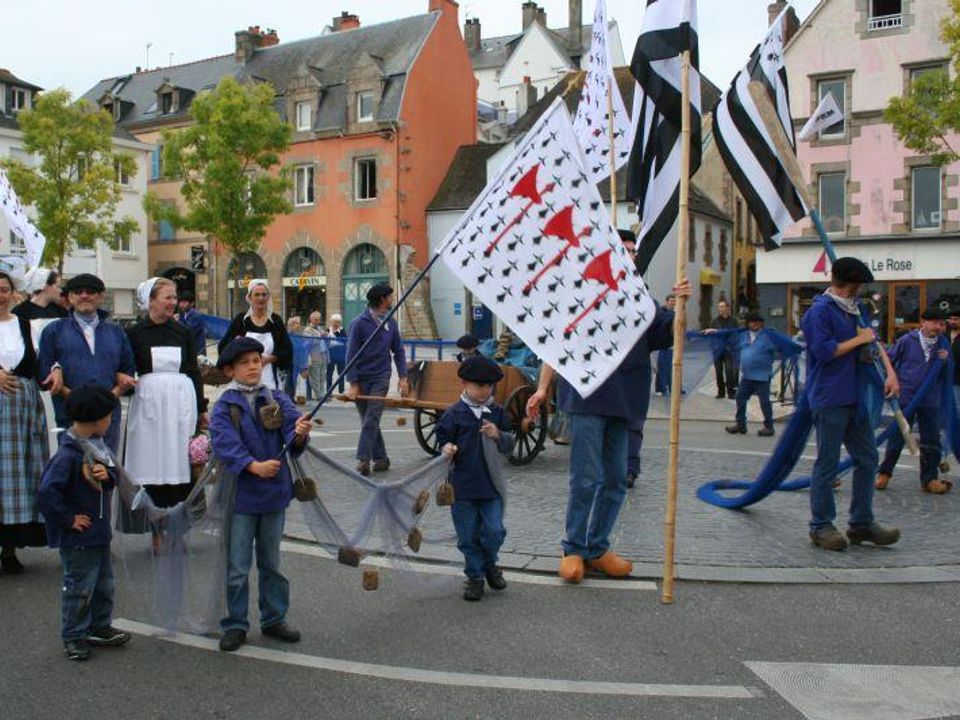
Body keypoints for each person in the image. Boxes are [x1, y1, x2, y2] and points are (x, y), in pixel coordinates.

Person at [527, 255, 689, 582]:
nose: (629, 255)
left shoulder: (643, 301)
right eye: (624, 249)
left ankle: (596, 549)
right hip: (587, 398)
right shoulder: (580, 294)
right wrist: (543, 388)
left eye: (633, 251)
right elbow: (557, 345)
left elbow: (672, 331)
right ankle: (573, 548)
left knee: (615, 479)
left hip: (625, 400)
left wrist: (683, 304)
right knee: (585, 478)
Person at [208, 337, 313, 653]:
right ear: (230, 370)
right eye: (244, 363)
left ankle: (274, 618)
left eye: (256, 360)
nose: (253, 367)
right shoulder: (224, 407)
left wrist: (299, 435)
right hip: (241, 498)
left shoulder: (277, 398)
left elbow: (293, 433)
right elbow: (225, 445)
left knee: (272, 563)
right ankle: (235, 623)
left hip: (274, 495)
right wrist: (252, 466)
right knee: (238, 566)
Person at [801, 257, 901, 552]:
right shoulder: (819, 312)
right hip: (830, 396)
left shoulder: (857, 309)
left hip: (856, 396)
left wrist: (890, 373)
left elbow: (874, 342)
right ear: (847, 285)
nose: (860, 291)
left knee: (868, 459)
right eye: (858, 286)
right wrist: (858, 341)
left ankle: (861, 523)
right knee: (827, 465)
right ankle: (820, 526)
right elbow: (825, 352)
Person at [36, 385, 133, 661]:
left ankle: (99, 626)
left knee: (104, 584)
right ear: (97, 420)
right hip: (79, 537)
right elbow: (47, 492)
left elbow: (113, 477)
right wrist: (68, 519)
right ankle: (74, 634)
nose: (111, 421)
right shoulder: (69, 455)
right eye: (109, 417)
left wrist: (109, 476)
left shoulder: (98, 447)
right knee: (79, 586)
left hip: (99, 533)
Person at [124, 278, 206, 524]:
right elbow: (127, 368)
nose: (173, 302)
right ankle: (155, 524)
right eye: (168, 297)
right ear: (150, 300)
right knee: (151, 459)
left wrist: (201, 407)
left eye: (175, 297)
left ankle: (177, 522)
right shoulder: (134, 333)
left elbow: (193, 371)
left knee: (179, 458)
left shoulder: (183, 332)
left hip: (180, 404)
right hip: (149, 405)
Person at [436, 355, 516, 601]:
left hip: (490, 486)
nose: (484, 391)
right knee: (467, 535)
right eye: (479, 386)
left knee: (494, 531)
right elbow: (442, 439)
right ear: (464, 384)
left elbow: (509, 444)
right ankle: (475, 577)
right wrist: (447, 447)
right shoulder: (454, 413)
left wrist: (497, 435)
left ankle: (490, 563)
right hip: (462, 487)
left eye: (489, 386)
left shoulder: (497, 412)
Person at [38, 273, 137, 453]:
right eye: (78, 291)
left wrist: (104, 403)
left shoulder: (116, 332)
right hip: (70, 416)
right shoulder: (54, 330)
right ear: (70, 297)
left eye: (91, 291)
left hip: (107, 419)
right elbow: (44, 373)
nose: (84, 295)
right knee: (72, 470)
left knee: (107, 471)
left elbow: (127, 372)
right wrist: (80, 401)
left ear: (100, 297)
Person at [0, 270, 49, 574]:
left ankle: (9, 547)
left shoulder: (25, 326)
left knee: (17, 478)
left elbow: (39, 362)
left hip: (22, 409)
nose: (0, 295)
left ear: (14, 293)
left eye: (4, 289)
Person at [875, 308, 952, 494]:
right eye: (934, 322)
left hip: (930, 399)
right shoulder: (906, 341)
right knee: (897, 437)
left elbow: (947, 373)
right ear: (923, 323)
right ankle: (884, 473)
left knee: (931, 440)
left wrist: (946, 361)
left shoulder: (943, 345)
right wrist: (889, 382)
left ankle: (929, 479)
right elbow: (889, 362)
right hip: (906, 397)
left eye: (942, 324)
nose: (938, 327)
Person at [345, 283, 409, 476]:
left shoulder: (391, 322)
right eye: (390, 297)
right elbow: (351, 354)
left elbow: (398, 351)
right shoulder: (359, 323)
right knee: (368, 420)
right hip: (362, 377)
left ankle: (363, 459)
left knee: (372, 417)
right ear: (382, 299)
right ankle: (381, 458)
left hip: (381, 376)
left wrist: (403, 377)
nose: (392, 300)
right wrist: (353, 383)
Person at [218, 279, 292, 393]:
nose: (260, 298)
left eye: (264, 294)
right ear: (250, 297)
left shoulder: (276, 321)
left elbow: (287, 350)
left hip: (270, 379)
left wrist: (270, 359)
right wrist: (235, 346)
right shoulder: (241, 321)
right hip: (243, 381)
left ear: (268, 297)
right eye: (256, 294)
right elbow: (223, 347)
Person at [724, 313, 777, 437]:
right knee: (740, 398)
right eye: (752, 322)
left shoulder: (768, 335)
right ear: (748, 324)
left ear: (761, 323)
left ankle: (769, 427)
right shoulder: (743, 335)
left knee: (764, 402)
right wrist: (714, 331)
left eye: (757, 322)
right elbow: (726, 335)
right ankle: (741, 424)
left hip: (762, 376)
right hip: (747, 375)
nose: (755, 324)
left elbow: (783, 345)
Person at [710, 299, 740, 399]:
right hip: (718, 350)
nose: (721, 309)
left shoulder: (734, 321)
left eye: (723, 307)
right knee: (718, 372)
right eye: (719, 307)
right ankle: (721, 391)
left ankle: (731, 392)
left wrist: (720, 332)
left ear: (728, 308)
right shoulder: (714, 321)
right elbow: (712, 334)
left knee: (729, 371)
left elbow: (735, 333)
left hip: (729, 350)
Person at [302, 311, 329, 406]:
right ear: (311, 320)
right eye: (316, 319)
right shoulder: (307, 330)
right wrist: (319, 336)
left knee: (322, 377)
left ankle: (322, 394)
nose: (318, 321)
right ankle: (319, 396)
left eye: (319, 319)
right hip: (314, 356)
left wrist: (326, 335)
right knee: (315, 377)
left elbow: (326, 339)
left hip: (323, 355)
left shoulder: (320, 328)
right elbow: (308, 343)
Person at [654, 294, 676, 395]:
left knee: (672, 367)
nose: (672, 302)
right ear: (666, 302)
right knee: (662, 367)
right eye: (671, 301)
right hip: (662, 344)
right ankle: (661, 388)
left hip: (673, 344)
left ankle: (673, 387)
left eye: (674, 301)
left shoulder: (676, 313)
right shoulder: (662, 312)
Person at [176, 290, 207, 357]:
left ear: (192, 303)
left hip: (197, 352)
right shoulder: (182, 315)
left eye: (184, 302)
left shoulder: (196, 316)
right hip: (187, 351)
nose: (181, 305)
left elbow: (188, 331)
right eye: (180, 302)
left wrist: (178, 322)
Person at [326, 314, 347, 394]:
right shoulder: (328, 330)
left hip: (340, 354)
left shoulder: (342, 330)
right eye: (335, 322)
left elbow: (344, 340)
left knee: (341, 373)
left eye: (338, 322)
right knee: (329, 373)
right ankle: (329, 391)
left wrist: (336, 334)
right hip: (331, 353)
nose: (336, 324)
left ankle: (341, 391)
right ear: (331, 322)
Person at [950, 308, 960, 412]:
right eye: (951, 319)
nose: (952, 322)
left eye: (955, 319)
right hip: (946, 377)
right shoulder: (944, 335)